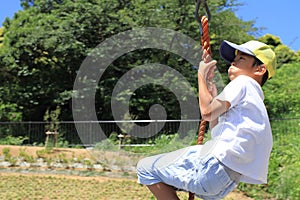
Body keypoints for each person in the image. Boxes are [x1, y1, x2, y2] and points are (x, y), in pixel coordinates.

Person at [136, 40, 276, 200]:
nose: (233, 61)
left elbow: (207, 112)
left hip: (214, 167)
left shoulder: (243, 82)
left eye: (241, 59)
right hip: (225, 181)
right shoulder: (254, 102)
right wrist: (211, 92)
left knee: (145, 168)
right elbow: (216, 128)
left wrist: (201, 75)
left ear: (260, 69)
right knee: (164, 176)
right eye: (234, 59)